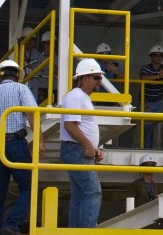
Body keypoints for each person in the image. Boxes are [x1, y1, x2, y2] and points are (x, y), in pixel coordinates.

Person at [0, 60, 44, 235]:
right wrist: (40, 141)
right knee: (29, 186)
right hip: (14, 142)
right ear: (17, 75)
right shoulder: (21, 89)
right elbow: (32, 114)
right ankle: (11, 224)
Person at [59, 58, 104, 228]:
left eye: (100, 77)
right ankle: (86, 231)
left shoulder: (80, 97)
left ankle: (76, 231)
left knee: (79, 194)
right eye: (96, 77)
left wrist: (92, 146)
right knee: (93, 191)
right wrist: (87, 145)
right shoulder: (76, 96)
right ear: (84, 78)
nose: (100, 81)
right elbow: (70, 125)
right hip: (77, 150)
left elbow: (78, 126)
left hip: (77, 150)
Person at [138, 45, 163, 148]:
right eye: (156, 55)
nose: (158, 57)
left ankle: (158, 148)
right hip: (146, 101)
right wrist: (159, 76)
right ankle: (146, 148)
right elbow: (143, 78)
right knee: (147, 126)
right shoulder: (145, 68)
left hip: (159, 101)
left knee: (160, 126)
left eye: (161, 55)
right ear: (151, 57)